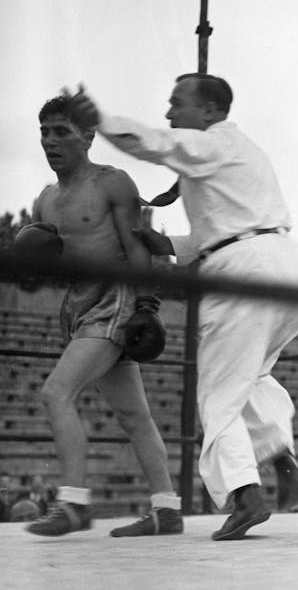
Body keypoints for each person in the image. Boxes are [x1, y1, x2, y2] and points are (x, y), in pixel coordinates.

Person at [64, 76, 298, 541]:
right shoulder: (243, 151)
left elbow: (156, 143)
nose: (168, 113)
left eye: (176, 103)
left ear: (209, 110)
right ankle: (288, 469)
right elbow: (224, 228)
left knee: (218, 393)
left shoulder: (212, 142)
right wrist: (168, 243)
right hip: (285, 262)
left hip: (246, 270)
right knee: (252, 377)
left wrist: (99, 120)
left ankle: (246, 496)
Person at [18, 95, 182, 537]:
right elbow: (50, 272)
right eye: (45, 132)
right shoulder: (45, 202)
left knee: (56, 394)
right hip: (79, 308)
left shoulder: (113, 183)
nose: (50, 141)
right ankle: (167, 509)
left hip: (118, 302)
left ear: (88, 136)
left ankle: (73, 503)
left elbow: (136, 248)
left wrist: (147, 307)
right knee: (134, 416)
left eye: (62, 132)